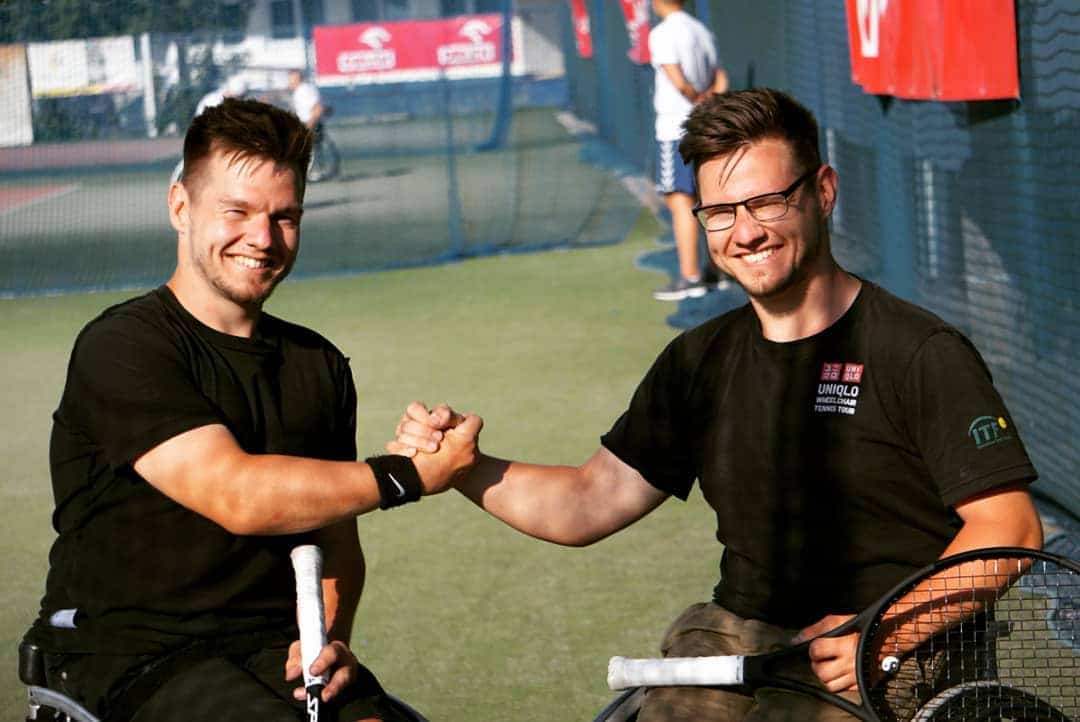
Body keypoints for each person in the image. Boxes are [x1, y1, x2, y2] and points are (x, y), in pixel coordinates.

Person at [391, 88, 1044, 721]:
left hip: (889, 648)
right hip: (738, 639)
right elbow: (589, 500)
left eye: (767, 202)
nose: (746, 232)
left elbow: (1009, 530)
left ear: (823, 191)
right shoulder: (699, 361)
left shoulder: (920, 352)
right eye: (722, 212)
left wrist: (890, 630)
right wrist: (465, 469)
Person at [23, 97, 480, 722]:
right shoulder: (124, 346)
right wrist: (406, 474)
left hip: (266, 651)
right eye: (236, 211)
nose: (262, 239)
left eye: (284, 217)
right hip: (127, 654)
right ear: (180, 207)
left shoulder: (316, 364)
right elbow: (238, 495)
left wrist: (325, 639)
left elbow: (334, 537)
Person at [648, 0, 729, 301]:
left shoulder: (663, 33)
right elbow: (721, 76)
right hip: (705, 126)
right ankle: (716, 270)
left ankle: (691, 277)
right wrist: (709, 102)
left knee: (680, 201)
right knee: (708, 200)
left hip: (675, 130)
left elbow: (677, 79)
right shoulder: (701, 30)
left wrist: (694, 98)